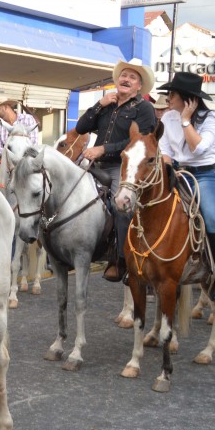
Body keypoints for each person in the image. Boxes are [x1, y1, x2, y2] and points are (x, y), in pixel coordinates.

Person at [76, 58, 157, 282]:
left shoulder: (144, 109)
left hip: (123, 168)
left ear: (139, 86)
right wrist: (99, 105)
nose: (126, 79)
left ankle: (121, 260)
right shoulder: (106, 105)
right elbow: (81, 127)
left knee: (121, 207)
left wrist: (104, 148)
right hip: (94, 165)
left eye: (133, 77)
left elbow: (141, 142)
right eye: (124, 75)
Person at [157, 72, 215, 301]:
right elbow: (165, 150)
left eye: (172, 94)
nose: (168, 98)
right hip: (179, 172)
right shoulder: (168, 118)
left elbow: (198, 148)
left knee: (214, 218)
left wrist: (186, 120)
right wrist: (169, 167)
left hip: (207, 175)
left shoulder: (211, 118)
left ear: (188, 99)